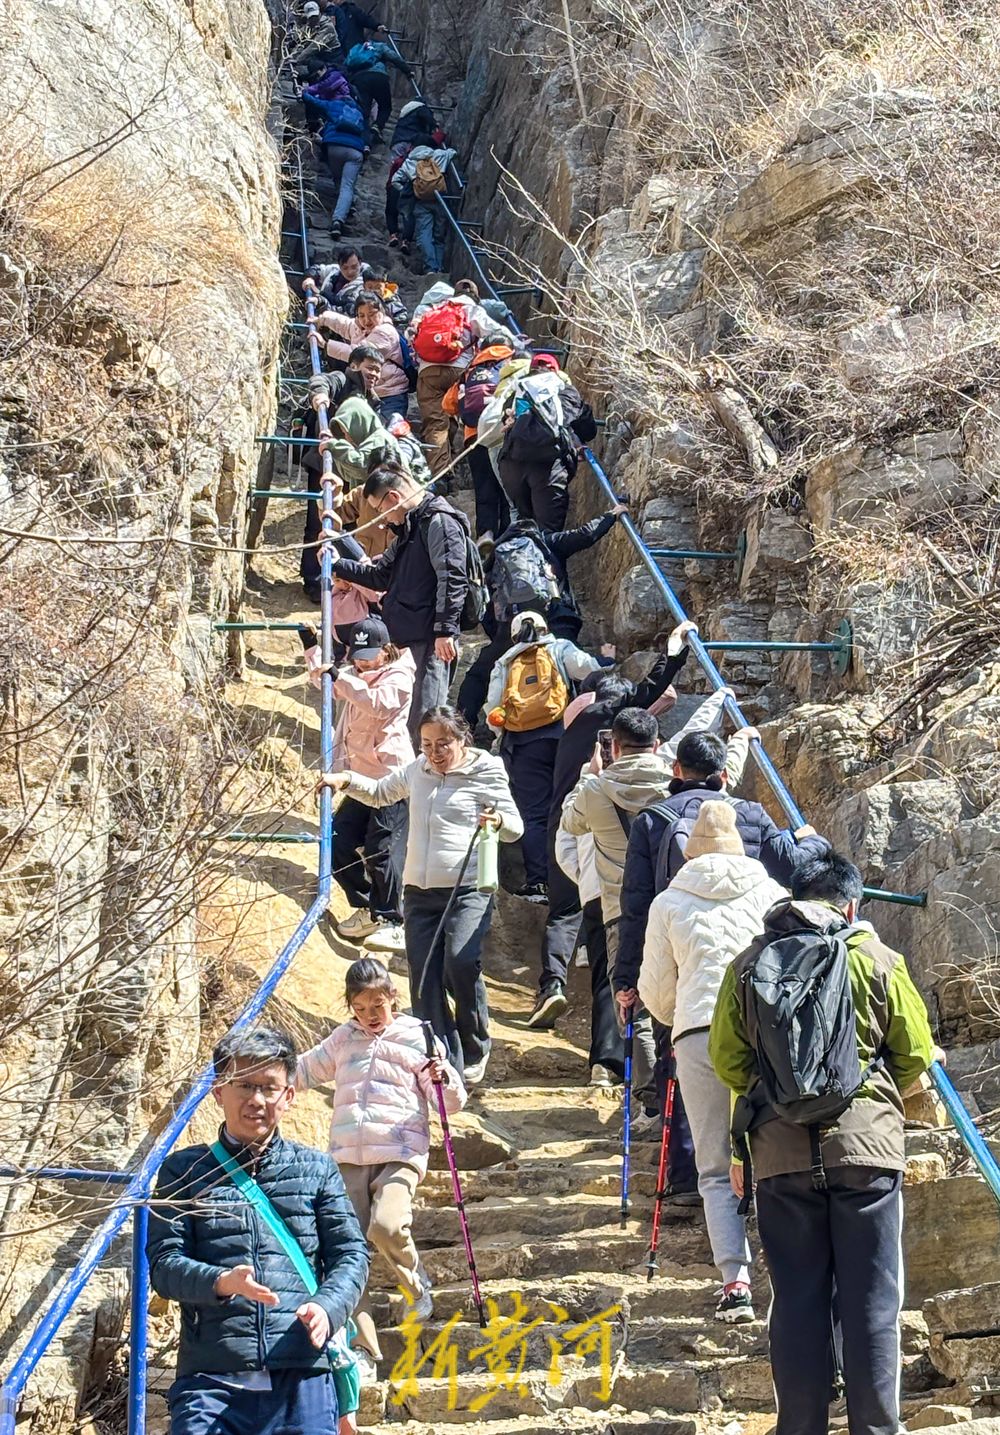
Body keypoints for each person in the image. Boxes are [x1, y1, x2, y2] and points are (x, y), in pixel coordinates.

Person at [709, 850, 937, 1435]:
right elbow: (912, 1052)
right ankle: (876, 1429)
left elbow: (728, 1062)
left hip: (780, 1158)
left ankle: (801, 1427)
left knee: (797, 1300)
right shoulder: (878, 959)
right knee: (872, 1303)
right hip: (866, 1153)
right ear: (851, 903)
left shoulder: (749, 964)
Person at [147, 1026, 369, 1435]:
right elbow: (163, 1266)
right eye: (243, 1085)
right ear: (218, 1091)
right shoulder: (183, 1171)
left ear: (289, 1096)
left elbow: (351, 1255)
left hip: (301, 1372)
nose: (256, 1100)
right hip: (211, 1378)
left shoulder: (317, 1169)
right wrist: (220, 1281)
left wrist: (326, 1306)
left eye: (269, 1088)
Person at [560, 706, 751, 1136]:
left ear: (613, 746)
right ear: (659, 745)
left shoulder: (595, 789)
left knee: (634, 1004)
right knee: (681, 999)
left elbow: (570, 821)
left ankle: (650, 1102)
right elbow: (721, 786)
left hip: (619, 911)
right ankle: (680, 1096)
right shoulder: (674, 775)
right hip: (680, 902)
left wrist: (587, 776)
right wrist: (741, 741)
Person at [318, 707, 524, 1082]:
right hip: (418, 890)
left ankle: (476, 1044)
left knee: (460, 963)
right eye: (427, 744)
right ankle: (442, 1057)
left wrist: (496, 821)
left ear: (462, 739)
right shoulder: (418, 770)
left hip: (467, 887)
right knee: (424, 977)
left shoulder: (486, 770)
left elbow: (516, 827)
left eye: (443, 743)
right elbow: (381, 793)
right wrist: (344, 779)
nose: (434, 752)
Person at [640, 802, 786, 1320]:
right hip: (763, 1031)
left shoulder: (669, 900)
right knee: (773, 1151)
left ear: (689, 850)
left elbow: (656, 994)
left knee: (714, 1162)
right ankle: (788, 1273)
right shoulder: (772, 893)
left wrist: (682, 1011)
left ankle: (735, 1280)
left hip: (699, 1033)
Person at [297, 957, 466, 1382]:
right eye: (361, 1008)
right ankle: (363, 1350)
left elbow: (450, 1103)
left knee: (386, 1225)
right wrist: (265, 1076)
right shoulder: (343, 1039)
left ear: (393, 998)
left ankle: (416, 1286)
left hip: (400, 1150)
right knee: (347, 1255)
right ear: (351, 1007)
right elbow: (305, 1070)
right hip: (348, 1157)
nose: (371, 1016)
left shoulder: (419, 1037)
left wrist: (444, 1079)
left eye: (378, 1005)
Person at [528, 621, 697, 1031]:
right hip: (595, 828)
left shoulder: (571, 727)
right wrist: (674, 653)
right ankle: (610, 1045)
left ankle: (551, 984)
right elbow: (649, 693)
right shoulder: (609, 717)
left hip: (564, 824)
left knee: (562, 911)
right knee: (606, 926)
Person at [329, 467, 473, 738]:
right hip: (406, 636)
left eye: (380, 510)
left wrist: (445, 631)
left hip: (430, 640)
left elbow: (452, 577)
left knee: (424, 718)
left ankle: (425, 776)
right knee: (406, 718)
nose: (383, 519)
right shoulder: (411, 525)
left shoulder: (439, 522)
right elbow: (380, 575)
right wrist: (337, 564)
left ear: (393, 497)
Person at [455, 507, 627, 730]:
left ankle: (460, 726)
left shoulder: (496, 555)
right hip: (555, 619)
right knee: (572, 668)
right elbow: (585, 535)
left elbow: (484, 602)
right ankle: (579, 725)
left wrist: (499, 632)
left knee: (479, 674)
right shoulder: (546, 542)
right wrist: (611, 514)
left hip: (513, 626)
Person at [485, 610, 604, 899]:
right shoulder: (560, 647)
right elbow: (590, 669)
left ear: (514, 636)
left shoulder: (504, 662)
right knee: (569, 805)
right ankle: (574, 881)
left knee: (534, 814)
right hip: (563, 738)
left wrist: (499, 738)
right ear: (544, 628)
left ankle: (539, 882)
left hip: (523, 746)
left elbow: (492, 710)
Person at [328, 620, 414, 954]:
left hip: (391, 777)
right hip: (360, 779)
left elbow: (378, 704)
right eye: (358, 655)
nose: (362, 662)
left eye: (369, 655)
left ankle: (392, 920)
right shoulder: (354, 675)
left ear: (386, 649)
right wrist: (312, 649)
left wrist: (341, 677)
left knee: (384, 849)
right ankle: (368, 907)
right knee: (336, 842)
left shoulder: (400, 676)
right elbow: (329, 684)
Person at [408, 280, 520, 476]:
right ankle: (458, 462)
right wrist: (519, 345)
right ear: (476, 297)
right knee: (457, 413)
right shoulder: (472, 310)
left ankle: (440, 473)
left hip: (428, 372)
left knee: (435, 422)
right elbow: (495, 331)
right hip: (459, 370)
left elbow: (412, 336)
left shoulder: (434, 310)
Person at [554, 819, 622, 1087]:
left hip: (597, 893)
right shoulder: (654, 782)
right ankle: (644, 1067)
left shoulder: (584, 789)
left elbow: (564, 844)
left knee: (606, 977)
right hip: (642, 893)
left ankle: (604, 1062)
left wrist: (585, 878)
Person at [497, 353, 597, 531]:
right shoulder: (564, 390)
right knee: (549, 533)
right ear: (555, 372)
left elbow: (505, 422)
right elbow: (588, 429)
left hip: (512, 466)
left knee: (526, 526)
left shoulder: (517, 392)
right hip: (550, 468)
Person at [441, 343, 516, 543]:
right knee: (506, 485)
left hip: (474, 436)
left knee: (484, 485)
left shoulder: (470, 371)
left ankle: (485, 534)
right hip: (501, 433)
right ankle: (509, 535)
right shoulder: (511, 363)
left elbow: (447, 404)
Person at [316, 293, 411, 422]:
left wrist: (325, 345)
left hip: (391, 393)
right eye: (361, 315)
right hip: (372, 391)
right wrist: (322, 319)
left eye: (372, 314)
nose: (367, 320)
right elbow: (345, 325)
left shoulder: (385, 332)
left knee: (387, 431)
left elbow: (357, 353)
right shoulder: (361, 327)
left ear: (381, 312)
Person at [302, 80, 368, 240]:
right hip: (355, 151)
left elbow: (314, 101)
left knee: (338, 179)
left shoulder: (334, 105)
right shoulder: (359, 113)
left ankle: (343, 208)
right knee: (348, 185)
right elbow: (366, 135)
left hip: (333, 146)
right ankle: (339, 219)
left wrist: (304, 91)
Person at [390, 144, 457, 272]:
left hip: (420, 201)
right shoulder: (439, 155)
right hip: (441, 200)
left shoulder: (409, 162)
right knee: (439, 236)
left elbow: (395, 180)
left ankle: (431, 267)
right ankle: (440, 267)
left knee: (425, 234)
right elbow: (453, 152)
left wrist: (407, 191)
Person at [342, 38, 412, 142]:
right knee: (385, 107)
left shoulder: (357, 49)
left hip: (360, 79)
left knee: (363, 110)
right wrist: (407, 70)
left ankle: (364, 141)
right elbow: (394, 57)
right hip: (379, 76)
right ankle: (377, 126)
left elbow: (347, 64)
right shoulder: (379, 46)